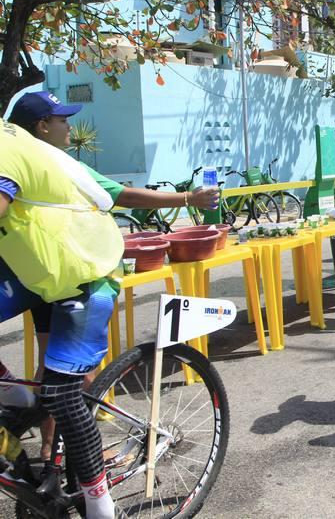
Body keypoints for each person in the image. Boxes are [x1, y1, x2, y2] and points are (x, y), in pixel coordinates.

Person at [8, 91, 219, 459]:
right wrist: (189, 199)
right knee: (64, 373)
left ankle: (62, 450)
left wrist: (188, 199)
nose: (69, 126)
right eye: (62, 120)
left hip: (55, 275)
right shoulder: (50, 163)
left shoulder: (41, 163)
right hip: (61, 275)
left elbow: (122, 196)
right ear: (42, 126)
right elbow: (126, 197)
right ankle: (62, 450)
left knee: (61, 373)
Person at [0, 119, 120, 517]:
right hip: (35, 269)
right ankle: (13, 394)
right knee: (35, 398)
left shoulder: (4, 148)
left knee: (60, 394)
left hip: (83, 271)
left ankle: (99, 505)